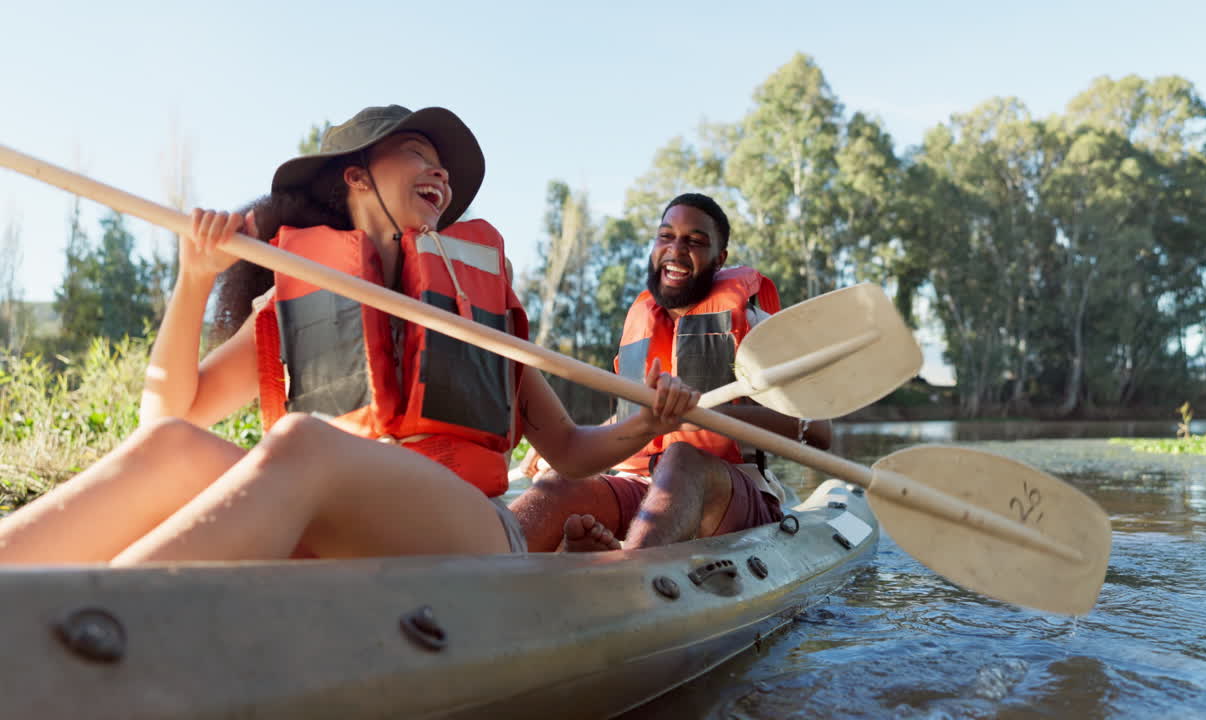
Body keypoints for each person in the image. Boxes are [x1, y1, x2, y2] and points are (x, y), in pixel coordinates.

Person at [0, 105, 698, 564]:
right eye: (419, 153)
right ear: (358, 176)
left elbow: (572, 452)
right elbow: (163, 419)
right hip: (341, 527)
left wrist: (647, 421)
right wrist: (194, 279)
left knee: (303, 444)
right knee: (175, 448)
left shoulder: (470, 305)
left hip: (475, 532)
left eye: (442, 164)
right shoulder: (300, 299)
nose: (442, 172)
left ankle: (94, 623)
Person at [510, 193, 831, 552]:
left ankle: (629, 575)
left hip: (725, 493)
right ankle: (489, 576)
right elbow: (636, 417)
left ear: (719, 258)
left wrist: (709, 416)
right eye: (666, 236)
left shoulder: (755, 327)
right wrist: (567, 442)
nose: (676, 250)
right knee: (559, 482)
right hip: (641, 486)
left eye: (694, 241)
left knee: (682, 458)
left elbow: (818, 430)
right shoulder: (642, 322)